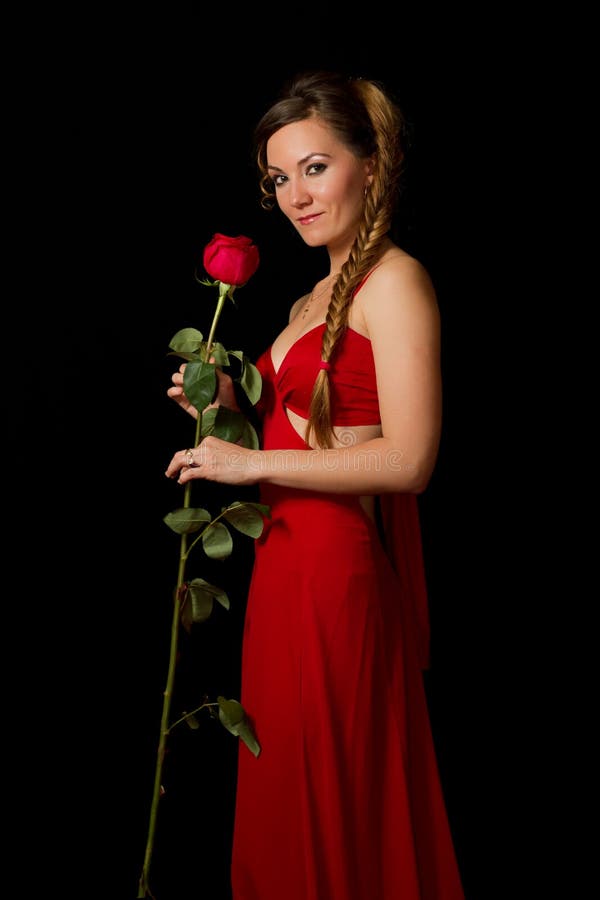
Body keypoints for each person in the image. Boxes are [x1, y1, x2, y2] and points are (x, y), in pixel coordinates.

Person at [166, 70, 464, 900]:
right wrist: (226, 405)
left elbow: (409, 460)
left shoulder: (396, 281)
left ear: (371, 164)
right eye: (278, 177)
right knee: (287, 801)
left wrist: (249, 463)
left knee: (332, 800)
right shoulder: (310, 296)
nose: (293, 194)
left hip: (335, 584)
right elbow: (308, 422)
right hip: (284, 579)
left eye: (315, 167)